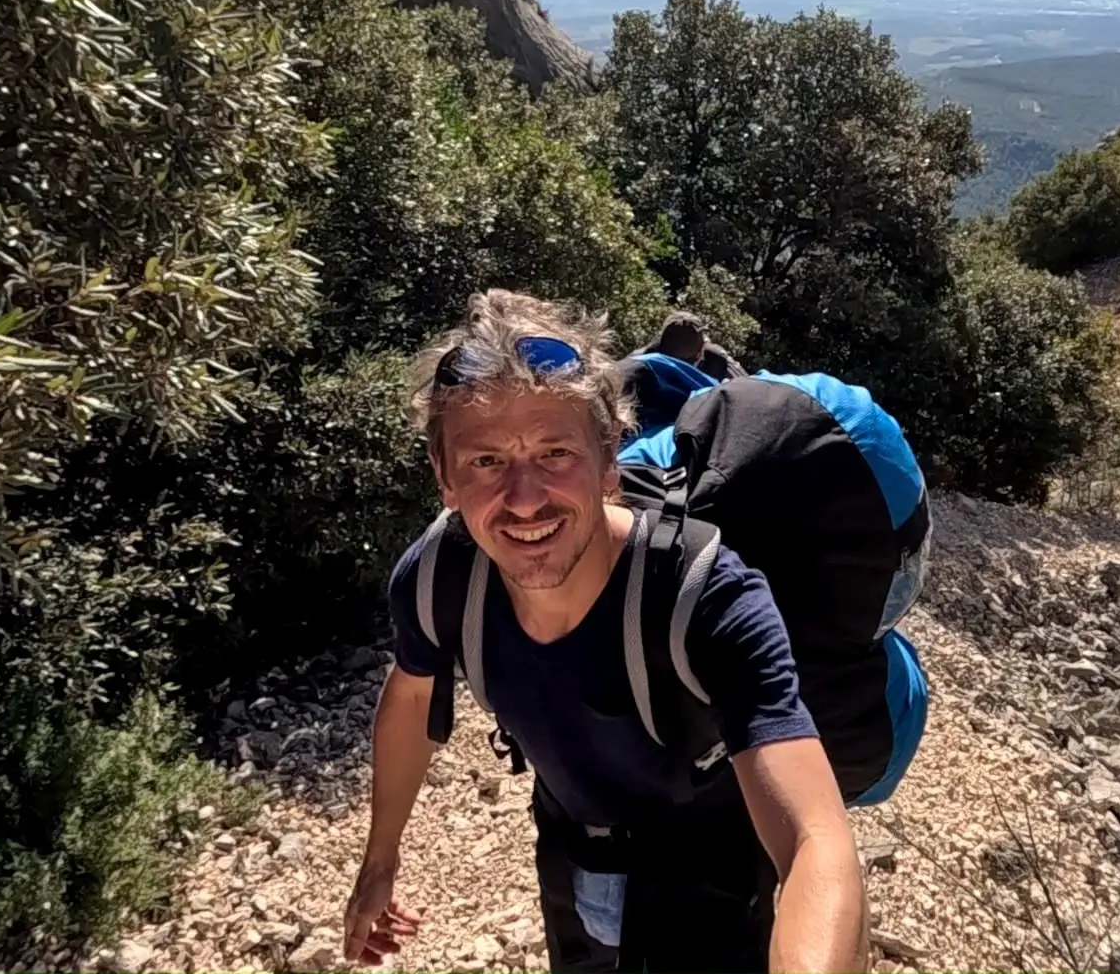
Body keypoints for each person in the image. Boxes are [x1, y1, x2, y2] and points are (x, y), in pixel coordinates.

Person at [343, 289, 868, 974]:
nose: (524, 499)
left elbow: (816, 843)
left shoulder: (706, 596)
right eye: (486, 461)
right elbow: (414, 697)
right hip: (572, 851)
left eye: (555, 453)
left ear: (608, 459)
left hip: (713, 869)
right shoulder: (440, 577)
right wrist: (380, 861)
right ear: (444, 476)